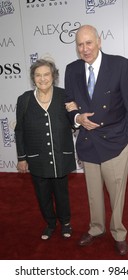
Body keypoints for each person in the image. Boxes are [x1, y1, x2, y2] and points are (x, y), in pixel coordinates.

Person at [65, 25, 128, 255]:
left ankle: (118, 232)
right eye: (80, 44)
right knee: (92, 193)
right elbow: (68, 102)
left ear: (99, 41)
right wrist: (77, 118)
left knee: (117, 194)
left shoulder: (119, 65)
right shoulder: (72, 69)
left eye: (89, 43)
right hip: (88, 142)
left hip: (116, 141)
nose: (85, 49)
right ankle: (96, 228)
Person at [15, 59, 76, 240]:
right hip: (36, 157)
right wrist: (22, 157)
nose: (42, 79)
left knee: (61, 192)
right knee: (42, 194)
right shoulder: (24, 99)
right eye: (38, 75)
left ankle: (65, 222)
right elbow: (20, 130)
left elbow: (75, 124)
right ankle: (50, 223)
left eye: (46, 74)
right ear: (33, 78)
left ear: (53, 76)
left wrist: (76, 113)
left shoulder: (65, 96)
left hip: (60, 155)